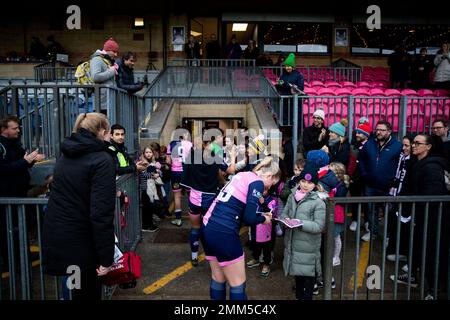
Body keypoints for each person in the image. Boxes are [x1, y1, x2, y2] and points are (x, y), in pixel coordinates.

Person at [42, 113, 116, 300]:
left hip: (60, 235)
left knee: (74, 289)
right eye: (108, 133)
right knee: (87, 293)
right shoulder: (101, 159)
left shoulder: (66, 153)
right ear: (101, 131)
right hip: (83, 241)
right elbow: (101, 213)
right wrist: (107, 258)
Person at [201, 157, 280, 300]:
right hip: (224, 232)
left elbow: (237, 206)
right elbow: (249, 218)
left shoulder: (242, 175)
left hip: (208, 226)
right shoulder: (257, 183)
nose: (268, 188)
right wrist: (264, 219)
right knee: (237, 284)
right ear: (269, 175)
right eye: (271, 184)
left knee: (218, 278)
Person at [391, 134, 449, 300]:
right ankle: (414, 277)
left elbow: (431, 196)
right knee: (416, 249)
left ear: (428, 146)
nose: (413, 146)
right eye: (413, 143)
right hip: (421, 216)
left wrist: (416, 216)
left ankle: (433, 290)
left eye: (417, 143)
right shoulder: (418, 163)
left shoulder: (431, 167)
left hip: (432, 219)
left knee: (431, 253)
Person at [1, 115, 45, 272]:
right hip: (6, 195)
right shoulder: (1, 147)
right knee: (7, 229)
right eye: (14, 128)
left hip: (19, 192)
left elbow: (21, 162)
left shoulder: (15, 144)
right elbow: (4, 168)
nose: (18, 130)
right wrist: (25, 162)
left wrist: (33, 159)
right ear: (3, 130)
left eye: (18, 127)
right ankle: (10, 261)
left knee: (20, 225)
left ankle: (22, 255)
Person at [182, 138, 235, 266]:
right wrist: (233, 156)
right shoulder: (215, 157)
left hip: (194, 199)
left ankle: (194, 256)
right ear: (207, 145)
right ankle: (210, 254)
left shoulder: (193, 156)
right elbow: (231, 170)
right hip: (209, 200)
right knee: (209, 228)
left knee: (195, 228)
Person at [280, 161, 326, 300]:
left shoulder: (318, 202)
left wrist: (300, 223)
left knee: (308, 283)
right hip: (294, 246)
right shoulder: (292, 196)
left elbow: (319, 226)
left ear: (315, 185)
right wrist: (284, 220)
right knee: (298, 282)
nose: (306, 185)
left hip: (308, 248)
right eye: (303, 181)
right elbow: (284, 213)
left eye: (310, 182)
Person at [358, 120, 402, 241]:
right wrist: (364, 174)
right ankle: (373, 232)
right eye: (377, 129)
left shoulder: (398, 146)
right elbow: (361, 160)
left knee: (389, 212)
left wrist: (394, 179)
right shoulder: (369, 144)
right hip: (370, 185)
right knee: (372, 210)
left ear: (389, 131)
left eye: (382, 130)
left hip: (388, 186)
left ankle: (388, 235)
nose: (378, 132)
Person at [385, 136, 413, 263]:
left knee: (403, 224)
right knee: (392, 219)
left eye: (407, 146)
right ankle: (392, 244)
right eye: (403, 145)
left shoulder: (413, 162)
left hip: (405, 198)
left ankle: (402, 253)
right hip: (395, 193)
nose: (404, 148)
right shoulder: (401, 157)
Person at [348, 121, 371, 231]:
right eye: (357, 132)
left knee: (367, 202)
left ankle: (367, 221)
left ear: (366, 135)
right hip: (355, 179)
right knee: (355, 200)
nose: (357, 134)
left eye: (360, 133)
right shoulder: (354, 145)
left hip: (366, 179)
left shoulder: (372, 147)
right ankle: (355, 220)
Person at [167, 127, 193, 226]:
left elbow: (168, 161)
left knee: (177, 196)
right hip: (187, 172)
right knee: (191, 195)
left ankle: (178, 219)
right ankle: (193, 217)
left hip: (175, 173)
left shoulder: (171, 144)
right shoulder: (190, 144)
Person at [327, 162, 350, 267]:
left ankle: (336, 257)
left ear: (337, 174)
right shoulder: (333, 184)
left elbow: (338, 200)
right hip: (331, 214)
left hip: (337, 215)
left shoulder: (341, 187)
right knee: (331, 236)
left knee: (336, 237)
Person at [139, 147, 164, 232]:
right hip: (145, 189)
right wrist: (153, 175)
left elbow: (160, 172)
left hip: (152, 188)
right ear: (143, 154)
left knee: (150, 207)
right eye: (146, 152)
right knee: (147, 208)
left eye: (150, 152)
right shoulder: (142, 163)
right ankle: (146, 226)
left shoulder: (153, 162)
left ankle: (149, 224)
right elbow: (143, 175)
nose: (148, 154)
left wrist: (158, 173)